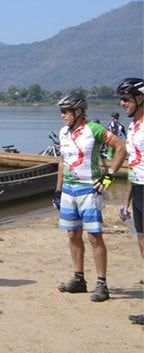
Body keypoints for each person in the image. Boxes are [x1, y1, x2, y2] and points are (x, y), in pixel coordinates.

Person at [53, 92, 126, 302]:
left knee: (94, 237)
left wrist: (108, 177)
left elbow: (120, 147)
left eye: (65, 111)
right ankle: (78, 279)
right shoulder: (63, 133)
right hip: (68, 190)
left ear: (78, 111)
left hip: (89, 190)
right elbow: (61, 161)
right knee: (72, 235)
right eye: (61, 111)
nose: (62, 115)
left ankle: (102, 283)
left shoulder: (93, 129)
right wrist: (58, 191)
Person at [115, 78, 144, 324]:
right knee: (142, 242)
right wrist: (125, 200)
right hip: (138, 190)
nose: (123, 103)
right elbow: (132, 167)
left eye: (127, 99)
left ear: (140, 98)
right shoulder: (133, 127)